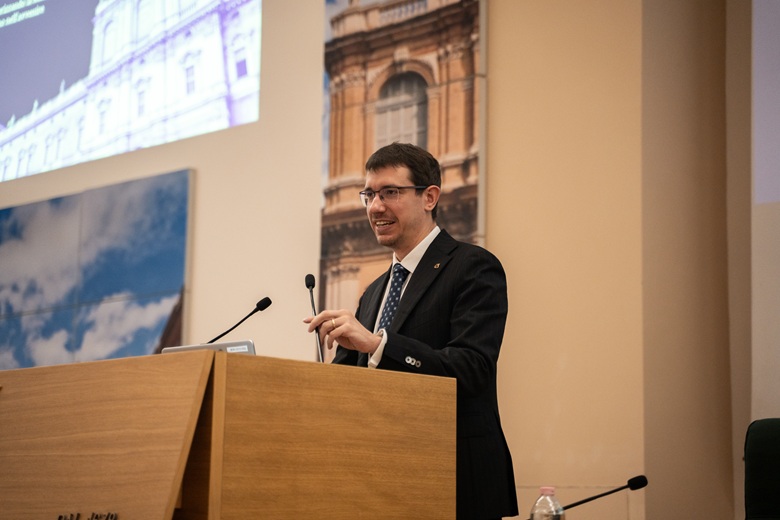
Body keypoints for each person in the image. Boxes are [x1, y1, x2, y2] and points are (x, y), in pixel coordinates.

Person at [305, 142, 518, 519]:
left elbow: (471, 369)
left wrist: (377, 345)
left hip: (454, 480)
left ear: (429, 197)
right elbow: (348, 388)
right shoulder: (374, 292)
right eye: (369, 195)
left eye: (390, 192)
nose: (375, 207)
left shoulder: (473, 267)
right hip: (380, 482)